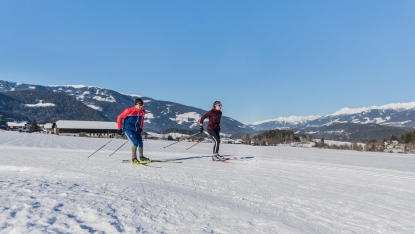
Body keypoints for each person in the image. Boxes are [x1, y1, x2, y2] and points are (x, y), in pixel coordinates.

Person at [117, 98, 150, 163]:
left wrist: (141, 127)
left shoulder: (143, 111)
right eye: (140, 104)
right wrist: (119, 128)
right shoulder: (129, 110)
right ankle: (134, 158)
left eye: (142, 104)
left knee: (140, 142)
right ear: (136, 104)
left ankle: (141, 157)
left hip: (136, 130)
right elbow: (119, 117)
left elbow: (142, 120)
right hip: (128, 130)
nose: (142, 106)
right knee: (135, 143)